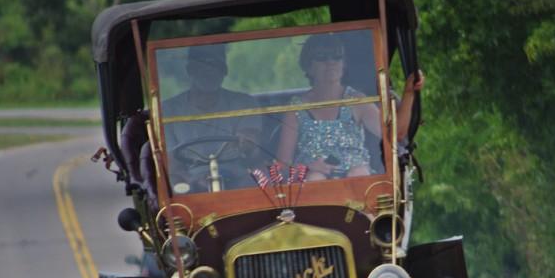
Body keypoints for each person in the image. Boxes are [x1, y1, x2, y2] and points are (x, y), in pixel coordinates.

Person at [276, 33, 424, 181]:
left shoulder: (356, 100)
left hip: (358, 181)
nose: (331, 62)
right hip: (312, 183)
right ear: (308, 66)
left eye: (337, 56)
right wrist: (308, 167)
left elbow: (395, 135)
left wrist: (409, 92)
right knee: (315, 178)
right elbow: (282, 165)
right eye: (322, 57)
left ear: (344, 64)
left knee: (358, 174)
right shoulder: (295, 108)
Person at [161, 44, 263, 192]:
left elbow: (254, 155)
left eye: (215, 66)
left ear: (224, 71)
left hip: (237, 177)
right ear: (190, 70)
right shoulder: (169, 110)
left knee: (260, 182)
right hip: (190, 179)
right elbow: (172, 164)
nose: (209, 72)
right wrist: (193, 181)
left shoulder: (244, 103)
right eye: (202, 66)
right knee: (175, 188)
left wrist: (249, 144)